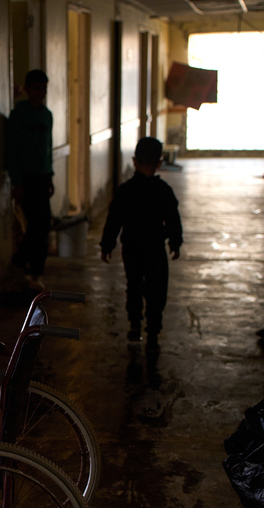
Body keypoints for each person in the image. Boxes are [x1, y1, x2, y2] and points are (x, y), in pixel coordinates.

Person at [100, 137, 183, 351]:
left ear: (134, 161)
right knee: (157, 288)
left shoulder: (125, 190)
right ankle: (153, 328)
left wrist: (107, 245)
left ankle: (135, 325)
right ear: (159, 163)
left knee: (134, 286)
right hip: (155, 248)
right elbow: (173, 219)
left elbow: (114, 220)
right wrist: (175, 242)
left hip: (132, 248)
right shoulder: (163, 191)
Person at [6, 69, 55, 289]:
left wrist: (50, 174)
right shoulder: (19, 115)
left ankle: (35, 270)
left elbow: (48, 148)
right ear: (27, 90)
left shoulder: (46, 115)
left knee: (43, 226)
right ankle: (21, 263)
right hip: (26, 179)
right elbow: (12, 150)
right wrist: (17, 181)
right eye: (36, 88)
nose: (40, 93)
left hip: (43, 177)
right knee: (36, 225)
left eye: (44, 88)